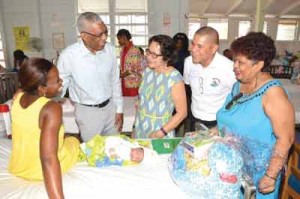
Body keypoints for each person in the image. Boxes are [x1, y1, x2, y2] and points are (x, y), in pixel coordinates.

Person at [216, 32, 295, 199]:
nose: (234, 66)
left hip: (258, 177)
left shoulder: (273, 95)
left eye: (241, 62)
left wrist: (271, 176)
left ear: (259, 65)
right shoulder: (239, 85)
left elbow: (285, 139)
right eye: (234, 60)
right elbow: (229, 120)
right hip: (232, 168)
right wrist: (205, 134)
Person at [9, 58, 80, 198]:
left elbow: (23, 87)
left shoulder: (17, 98)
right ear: (41, 89)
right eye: (57, 81)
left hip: (19, 166)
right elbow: (48, 158)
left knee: (66, 138)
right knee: (75, 140)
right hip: (38, 171)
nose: (61, 82)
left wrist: (22, 88)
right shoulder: (51, 108)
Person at [57, 12, 123, 142]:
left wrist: (119, 109)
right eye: (99, 35)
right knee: (93, 154)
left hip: (110, 108)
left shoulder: (109, 50)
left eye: (106, 32)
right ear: (84, 36)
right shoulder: (69, 56)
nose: (104, 38)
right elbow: (59, 86)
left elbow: (115, 81)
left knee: (115, 148)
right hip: (87, 113)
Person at [133, 35, 187, 139]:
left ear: (166, 57)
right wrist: (134, 127)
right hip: (141, 126)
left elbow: (182, 113)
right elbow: (140, 103)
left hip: (160, 130)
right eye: (148, 52)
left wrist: (161, 132)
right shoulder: (147, 72)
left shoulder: (174, 78)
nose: (148, 57)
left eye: (154, 55)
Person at [183, 26, 236, 130]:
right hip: (194, 118)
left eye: (199, 46)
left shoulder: (230, 69)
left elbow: (240, 98)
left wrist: (223, 123)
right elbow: (188, 87)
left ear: (213, 48)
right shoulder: (189, 62)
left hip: (218, 122)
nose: (192, 49)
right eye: (193, 44)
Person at [80, 135, 158, 165]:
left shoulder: (127, 159)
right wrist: (111, 146)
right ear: (136, 148)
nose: (134, 156)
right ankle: (85, 148)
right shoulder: (130, 145)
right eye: (137, 153)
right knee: (92, 146)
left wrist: (112, 154)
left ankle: (86, 152)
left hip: (109, 152)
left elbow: (117, 159)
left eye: (137, 159)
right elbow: (119, 139)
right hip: (109, 144)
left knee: (96, 157)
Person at [173, 33, 191, 136]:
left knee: (182, 112)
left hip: (185, 87)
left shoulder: (188, 56)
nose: (179, 44)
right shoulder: (171, 54)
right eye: (177, 42)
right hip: (172, 86)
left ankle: (181, 134)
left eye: (181, 42)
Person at [117, 29, 143, 97]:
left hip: (133, 84)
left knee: (133, 105)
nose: (118, 41)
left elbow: (136, 68)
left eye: (119, 39)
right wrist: (119, 72)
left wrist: (122, 74)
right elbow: (123, 66)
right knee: (125, 104)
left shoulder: (135, 50)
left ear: (124, 37)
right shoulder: (122, 50)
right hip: (124, 83)